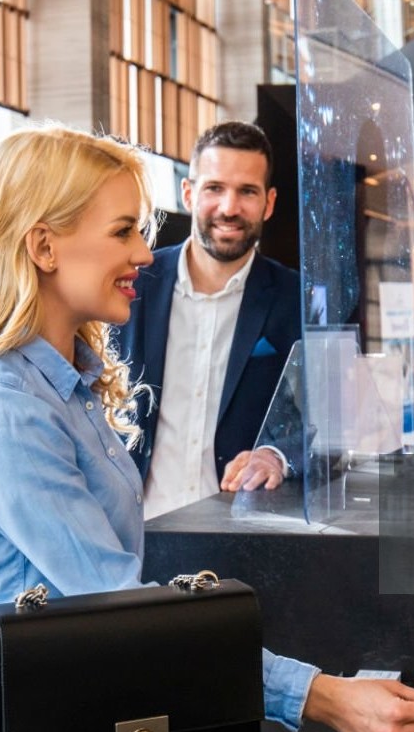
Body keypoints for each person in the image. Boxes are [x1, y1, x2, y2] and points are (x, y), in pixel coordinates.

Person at [0, 125, 414, 732]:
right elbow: (115, 604)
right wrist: (325, 698)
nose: (146, 254)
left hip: (49, 726)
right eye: (122, 232)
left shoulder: (66, 385)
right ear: (43, 246)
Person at [113, 120, 301, 517]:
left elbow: (322, 416)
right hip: (135, 532)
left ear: (268, 203)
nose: (229, 208)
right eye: (214, 188)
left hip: (238, 535)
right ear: (188, 194)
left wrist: (275, 455)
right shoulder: (130, 286)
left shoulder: (296, 300)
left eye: (246, 192)